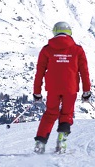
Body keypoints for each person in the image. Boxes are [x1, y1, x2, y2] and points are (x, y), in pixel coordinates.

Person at [33, 21, 91, 154]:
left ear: (55, 32)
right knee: (66, 113)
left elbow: (39, 72)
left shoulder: (47, 49)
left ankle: (40, 143)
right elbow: (84, 72)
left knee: (50, 114)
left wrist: (37, 92)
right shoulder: (77, 50)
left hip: (53, 88)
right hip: (70, 88)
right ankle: (61, 142)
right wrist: (86, 90)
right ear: (69, 32)